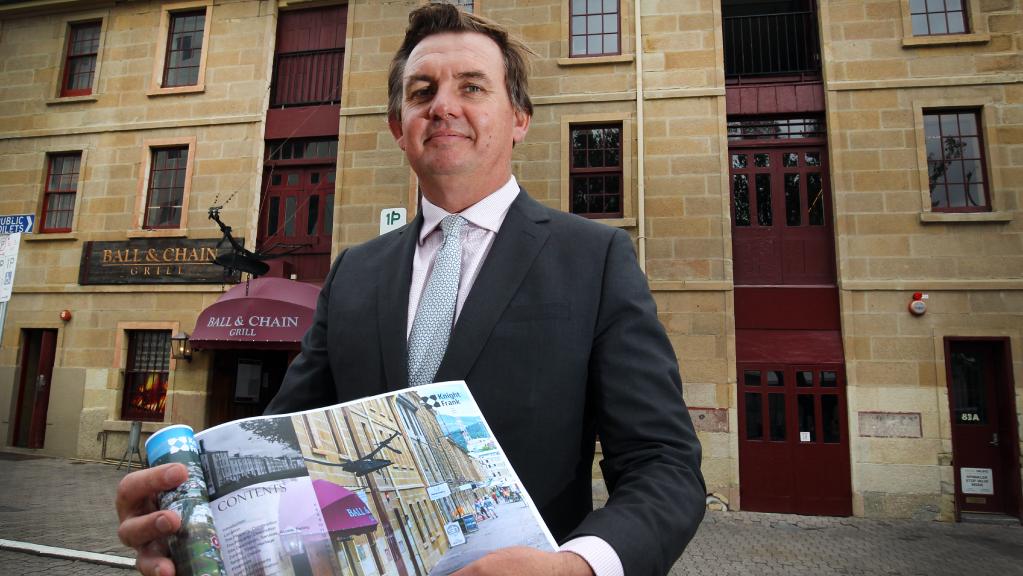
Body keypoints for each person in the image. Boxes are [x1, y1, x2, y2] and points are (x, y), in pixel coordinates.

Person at [116, 5, 705, 576]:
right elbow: (283, 453)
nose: (443, 106)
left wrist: (578, 566)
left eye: (472, 87)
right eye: (422, 93)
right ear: (400, 127)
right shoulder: (355, 273)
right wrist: (189, 516)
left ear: (519, 117)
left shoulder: (595, 259)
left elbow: (664, 465)